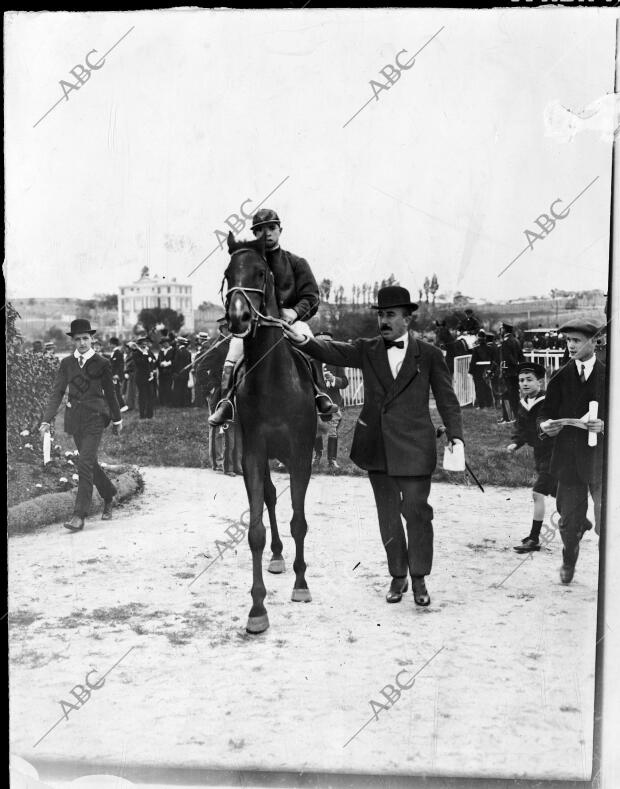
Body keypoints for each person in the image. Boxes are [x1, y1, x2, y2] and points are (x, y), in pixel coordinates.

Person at [283, 285, 464, 607]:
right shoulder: (368, 349)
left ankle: (419, 577)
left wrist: (456, 434)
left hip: (415, 446)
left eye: (391, 314)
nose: (384, 320)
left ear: (407, 319)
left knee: (417, 512)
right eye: (381, 315)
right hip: (376, 446)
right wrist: (305, 341)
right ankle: (398, 576)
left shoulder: (431, 355)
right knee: (389, 515)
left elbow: (448, 399)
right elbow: (332, 352)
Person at [208, 208, 336, 425]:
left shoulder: (296, 262)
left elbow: (312, 297)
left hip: (290, 323)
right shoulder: (246, 261)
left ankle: (320, 394)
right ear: (254, 233)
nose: (265, 233)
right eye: (259, 230)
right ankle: (226, 401)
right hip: (256, 325)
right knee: (233, 351)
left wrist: (295, 312)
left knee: (309, 343)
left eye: (271, 228)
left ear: (280, 230)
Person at [538, 319, 606, 584]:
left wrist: (606, 425)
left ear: (594, 342)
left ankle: (607, 574)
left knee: (607, 521)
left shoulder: (610, 374)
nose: (570, 346)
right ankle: (569, 558)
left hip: (602, 462)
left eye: (576, 341)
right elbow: (546, 413)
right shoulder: (560, 376)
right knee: (568, 523)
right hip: (568, 460)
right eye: (567, 341)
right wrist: (545, 426)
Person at [39, 319, 122, 532]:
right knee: (90, 463)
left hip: (95, 418)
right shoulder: (67, 363)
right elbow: (57, 391)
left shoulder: (102, 363)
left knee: (84, 463)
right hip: (75, 420)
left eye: (86, 338)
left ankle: (79, 515)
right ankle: (109, 493)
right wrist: (46, 419)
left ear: (92, 339)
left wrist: (117, 418)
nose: (82, 342)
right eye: (78, 339)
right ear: (73, 341)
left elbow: (110, 393)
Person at [506, 362, 557, 553]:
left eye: (529, 379)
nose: (524, 383)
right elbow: (521, 428)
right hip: (540, 453)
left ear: (540, 381)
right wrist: (516, 442)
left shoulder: (548, 402)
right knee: (558, 494)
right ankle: (579, 521)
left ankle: (534, 538)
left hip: (554, 451)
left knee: (538, 493)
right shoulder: (522, 403)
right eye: (521, 380)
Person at [312, 331, 349, 470]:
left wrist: (334, 380)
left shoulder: (336, 361)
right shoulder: (311, 361)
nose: (323, 346)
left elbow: (345, 382)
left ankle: (332, 460)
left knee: (332, 430)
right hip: (316, 401)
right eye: (320, 343)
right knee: (316, 430)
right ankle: (317, 455)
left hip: (333, 401)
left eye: (327, 343)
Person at [499, 322, 523, 423]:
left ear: (504, 330)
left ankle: (508, 418)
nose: (500, 330)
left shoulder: (505, 342)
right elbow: (521, 357)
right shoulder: (516, 340)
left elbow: (506, 359)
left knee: (506, 395)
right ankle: (514, 416)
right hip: (515, 372)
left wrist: (503, 371)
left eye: (501, 329)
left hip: (508, 372)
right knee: (514, 395)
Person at [468, 330, 495, 409]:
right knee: (487, 387)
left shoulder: (476, 349)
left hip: (478, 371)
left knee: (479, 387)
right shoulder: (490, 348)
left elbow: (473, 361)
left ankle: (481, 404)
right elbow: (493, 360)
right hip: (487, 369)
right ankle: (489, 403)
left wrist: (470, 371)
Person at [133, 336, 157, 419]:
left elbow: (152, 362)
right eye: (143, 344)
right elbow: (141, 364)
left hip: (149, 377)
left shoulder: (149, 352)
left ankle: (150, 415)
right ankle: (142, 415)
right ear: (139, 345)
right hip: (141, 378)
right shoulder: (136, 353)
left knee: (150, 396)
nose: (145, 345)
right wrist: (145, 354)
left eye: (145, 343)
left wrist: (152, 370)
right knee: (142, 396)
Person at [109, 337, 128, 413]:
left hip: (116, 376)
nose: (109, 345)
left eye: (110, 344)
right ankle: (119, 406)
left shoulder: (118, 353)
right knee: (115, 390)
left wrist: (117, 374)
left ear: (113, 344)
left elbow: (120, 365)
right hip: (113, 375)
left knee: (116, 391)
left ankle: (122, 406)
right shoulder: (114, 352)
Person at [172, 336, 192, 407]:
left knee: (177, 389)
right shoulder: (188, 353)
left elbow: (175, 363)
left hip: (178, 374)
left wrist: (174, 372)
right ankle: (183, 404)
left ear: (179, 343)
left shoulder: (177, 352)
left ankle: (177, 404)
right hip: (185, 374)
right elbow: (190, 365)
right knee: (184, 390)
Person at [157, 336, 175, 406]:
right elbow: (158, 360)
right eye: (163, 344)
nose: (164, 345)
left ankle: (168, 402)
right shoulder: (161, 351)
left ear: (168, 343)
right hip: (162, 372)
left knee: (168, 387)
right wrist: (160, 363)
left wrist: (168, 363)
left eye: (165, 343)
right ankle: (162, 402)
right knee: (161, 387)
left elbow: (175, 360)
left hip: (169, 372)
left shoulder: (172, 350)